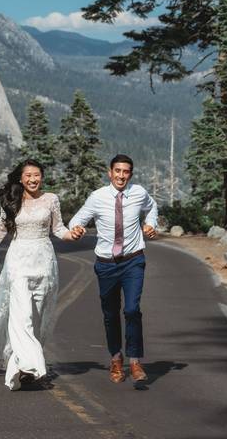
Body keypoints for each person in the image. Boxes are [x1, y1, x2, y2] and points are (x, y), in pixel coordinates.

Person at [0, 159, 86, 390]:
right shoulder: (12, 201)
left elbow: (58, 229)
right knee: (21, 316)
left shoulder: (51, 199)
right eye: (28, 176)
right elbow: (0, 230)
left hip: (44, 262)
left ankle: (22, 369)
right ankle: (35, 366)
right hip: (18, 262)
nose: (33, 179)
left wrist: (72, 235)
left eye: (37, 175)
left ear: (42, 177)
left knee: (35, 318)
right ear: (21, 179)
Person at [68, 154, 158, 385]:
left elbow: (152, 207)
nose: (121, 175)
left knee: (131, 309)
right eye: (117, 171)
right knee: (110, 314)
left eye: (125, 171)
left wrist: (151, 224)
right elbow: (78, 219)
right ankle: (116, 358)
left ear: (130, 174)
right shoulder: (97, 197)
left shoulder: (139, 193)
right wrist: (76, 228)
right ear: (110, 173)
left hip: (133, 261)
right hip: (106, 264)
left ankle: (135, 360)